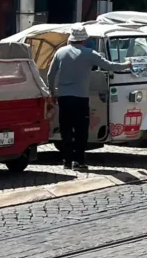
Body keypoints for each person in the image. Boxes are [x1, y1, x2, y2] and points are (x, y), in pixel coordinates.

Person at [47, 25, 130, 171]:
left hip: (64, 97)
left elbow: (50, 74)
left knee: (65, 129)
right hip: (81, 97)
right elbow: (109, 66)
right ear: (84, 40)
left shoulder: (60, 52)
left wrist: (53, 92)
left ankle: (66, 160)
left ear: (70, 39)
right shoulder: (90, 53)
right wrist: (126, 64)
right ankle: (78, 161)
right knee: (81, 130)